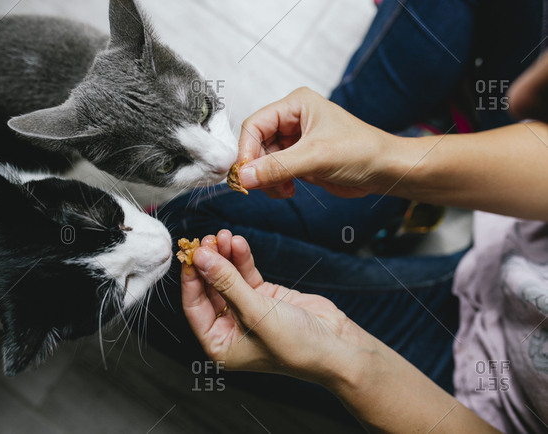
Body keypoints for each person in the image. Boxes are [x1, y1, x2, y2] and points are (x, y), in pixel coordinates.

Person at [176, 51, 548, 432]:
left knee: (181, 252)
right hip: (495, 267)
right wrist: (385, 157)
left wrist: (345, 360)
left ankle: (428, 131)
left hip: (471, 387)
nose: (519, 102)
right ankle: (430, 139)